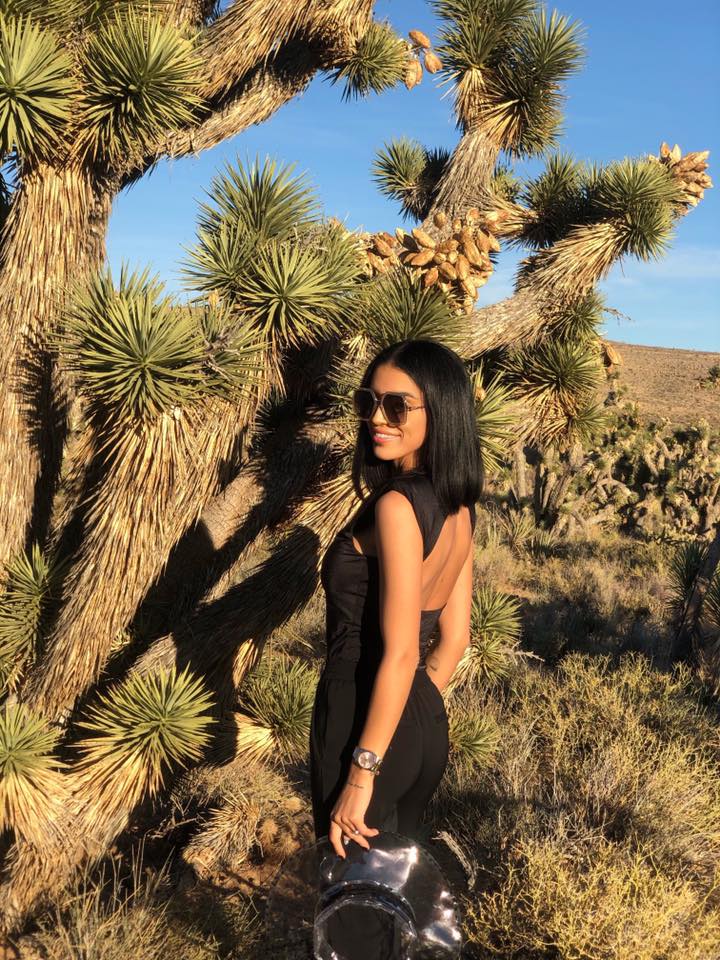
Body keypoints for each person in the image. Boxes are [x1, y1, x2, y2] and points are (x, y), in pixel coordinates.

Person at [308, 338, 482, 957]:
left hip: (363, 714)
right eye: (370, 402)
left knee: (354, 912)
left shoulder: (396, 505)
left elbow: (401, 651)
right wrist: (413, 717)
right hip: (421, 723)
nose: (377, 418)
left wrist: (363, 770)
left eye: (397, 405)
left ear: (439, 410)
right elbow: (454, 640)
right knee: (392, 903)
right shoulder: (459, 506)